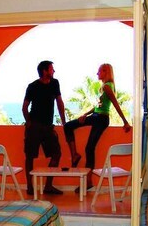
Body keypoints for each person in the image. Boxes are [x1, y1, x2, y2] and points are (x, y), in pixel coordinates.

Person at [64, 63, 131, 193]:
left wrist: (125, 121)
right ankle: (77, 159)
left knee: (77, 135)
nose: (97, 73)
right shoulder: (104, 87)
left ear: (106, 72)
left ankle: (87, 180)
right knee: (87, 145)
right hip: (97, 116)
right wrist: (85, 114)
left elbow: (115, 104)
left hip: (101, 119)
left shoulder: (107, 86)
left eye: (99, 71)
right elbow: (98, 106)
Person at [23, 60, 67, 196]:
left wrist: (64, 122)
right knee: (30, 156)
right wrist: (28, 122)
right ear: (44, 71)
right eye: (51, 69)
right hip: (34, 126)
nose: (53, 71)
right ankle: (30, 186)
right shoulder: (32, 86)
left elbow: (59, 103)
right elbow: (24, 107)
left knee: (56, 154)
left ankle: (48, 186)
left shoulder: (55, 83)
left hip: (48, 127)